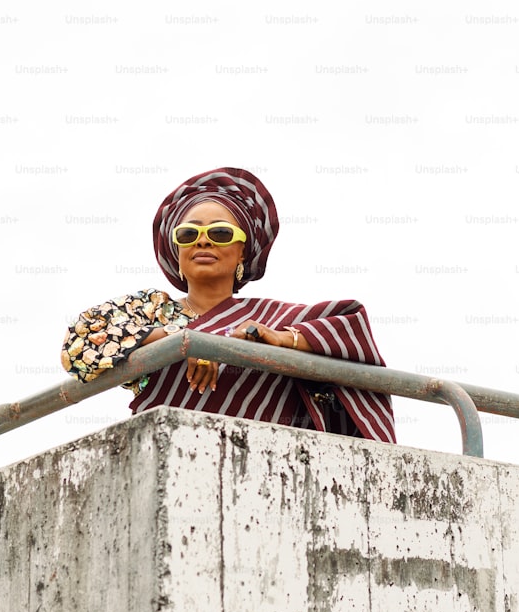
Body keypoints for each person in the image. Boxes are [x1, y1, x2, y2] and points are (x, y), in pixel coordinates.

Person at [61, 167, 395, 443]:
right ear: (177, 254)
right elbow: (80, 343)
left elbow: (349, 325)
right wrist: (185, 341)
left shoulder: (272, 318)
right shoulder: (151, 311)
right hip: (164, 456)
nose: (202, 240)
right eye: (187, 235)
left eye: (220, 234)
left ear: (243, 252)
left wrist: (278, 341)